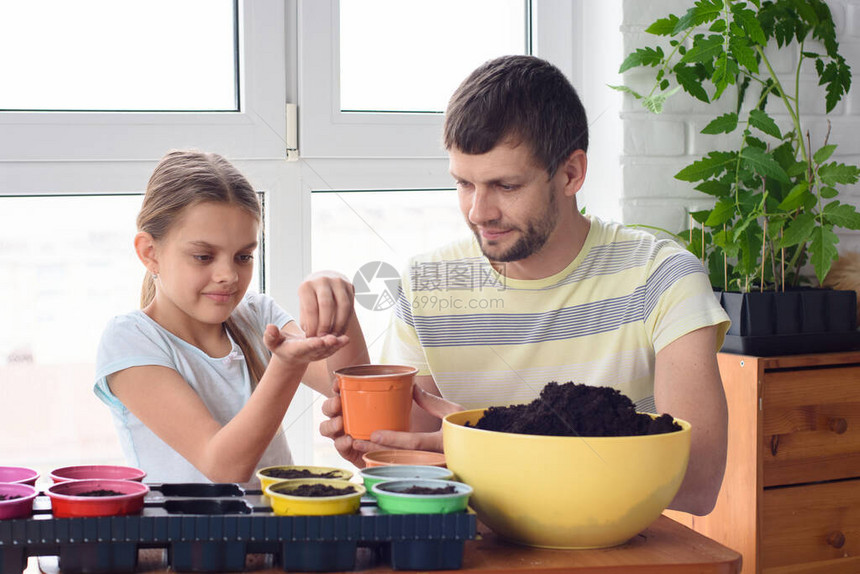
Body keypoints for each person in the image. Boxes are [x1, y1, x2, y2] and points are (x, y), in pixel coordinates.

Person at [320, 55, 730, 516]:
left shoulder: (662, 277)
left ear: (571, 174)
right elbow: (424, 461)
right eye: (463, 184)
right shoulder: (427, 283)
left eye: (506, 186)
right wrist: (380, 453)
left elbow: (696, 480)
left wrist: (493, 435)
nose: (479, 212)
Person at [94, 150, 368, 484]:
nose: (228, 275)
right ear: (150, 253)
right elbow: (224, 467)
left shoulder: (256, 314)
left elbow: (356, 393)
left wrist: (339, 304)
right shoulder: (130, 340)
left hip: (278, 533)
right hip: (191, 537)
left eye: (243, 256)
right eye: (203, 256)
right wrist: (287, 365)